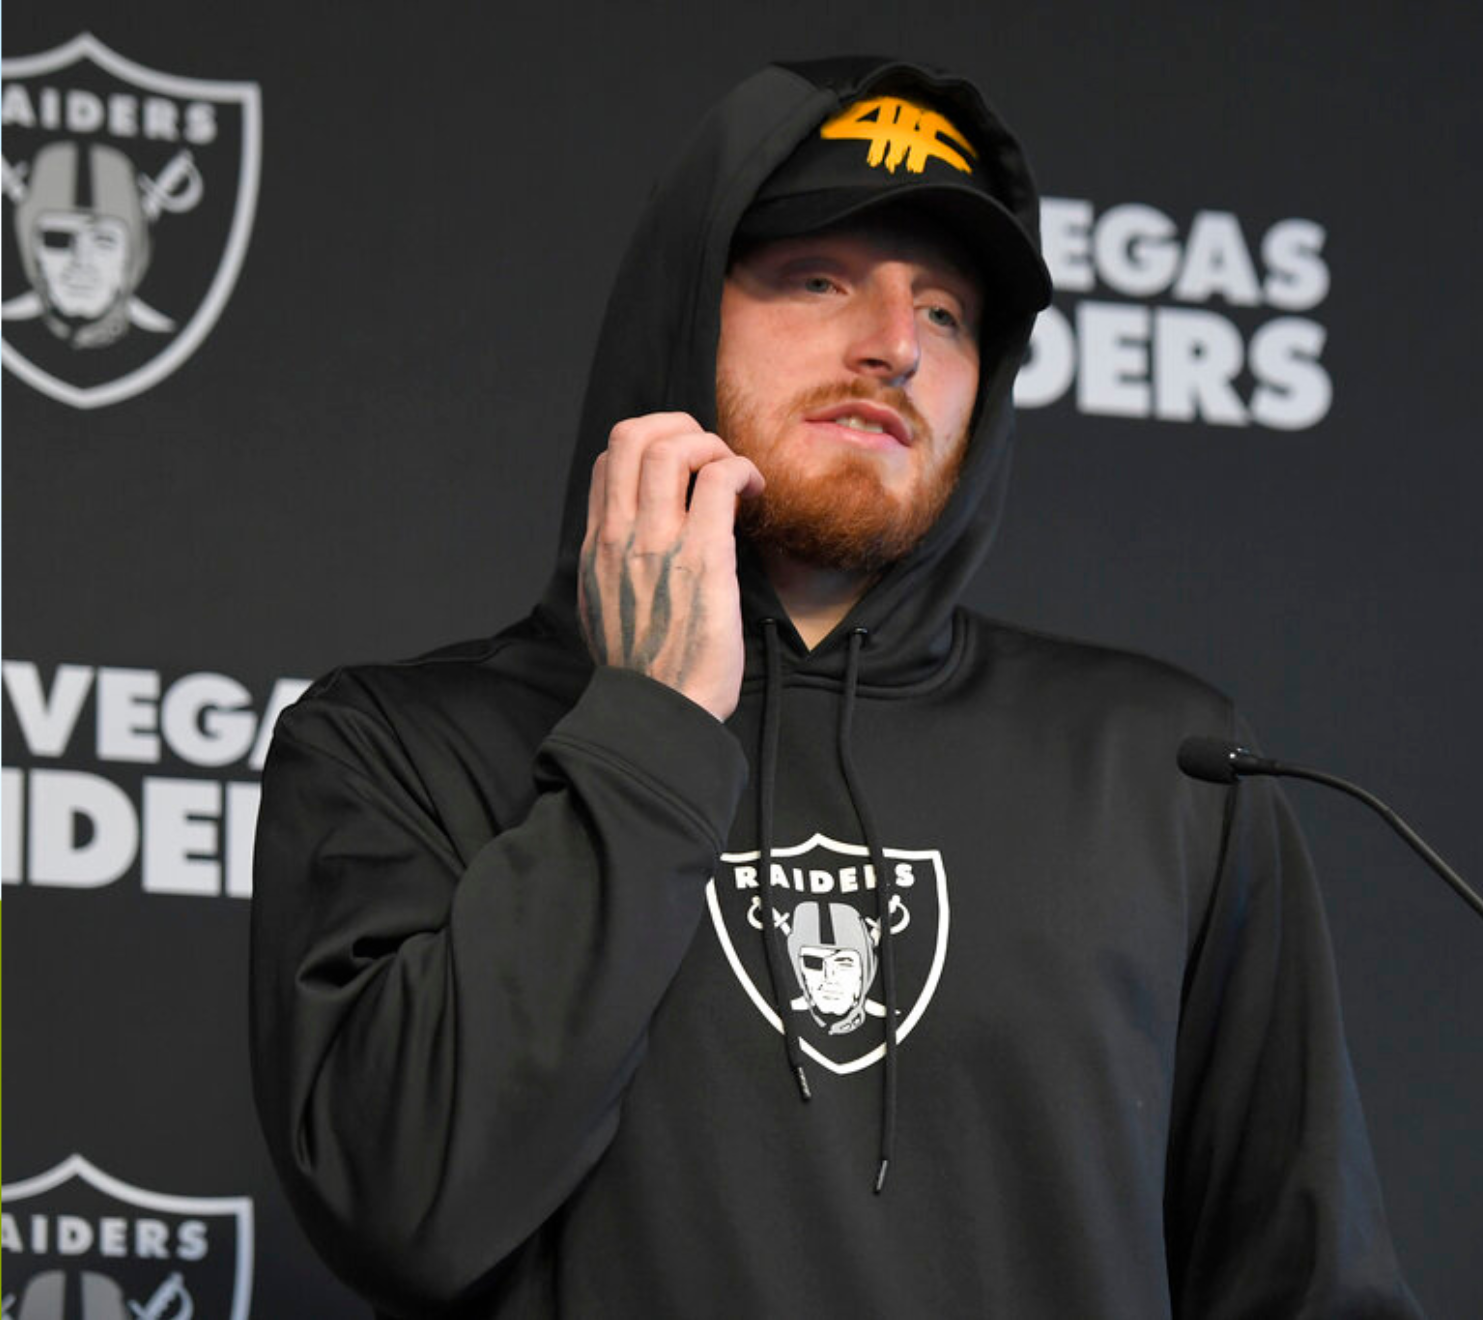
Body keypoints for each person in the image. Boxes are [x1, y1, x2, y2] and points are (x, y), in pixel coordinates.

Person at [249, 57, 1420, 1318]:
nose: (895, 349)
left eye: (949, 314)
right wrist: (649, 727)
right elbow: (410, 1209)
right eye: (819, 280)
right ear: (681, 317)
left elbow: (1309, 1291)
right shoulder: (395, 748)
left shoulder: (1168, 770)